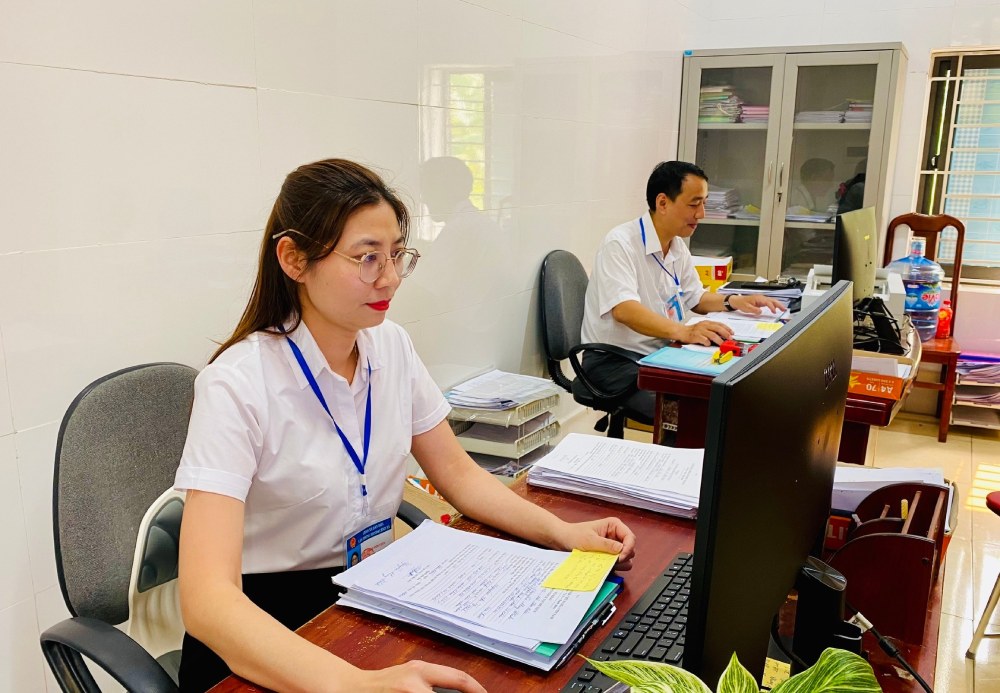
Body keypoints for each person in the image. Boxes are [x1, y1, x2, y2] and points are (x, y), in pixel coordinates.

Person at [175, 159, 637, 692]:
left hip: (366, 595)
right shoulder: (236, 383)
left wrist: (565, 534)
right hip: (265, 630)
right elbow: (208, 604)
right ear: (294, 258)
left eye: (396, 255)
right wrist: (354, 686)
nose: (390, 278)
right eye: (367, 258)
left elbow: (458, 476)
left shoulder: (389, 345)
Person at [581, 161, 785, 418]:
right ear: (663, 203)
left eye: (704, 203)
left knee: (727, 388)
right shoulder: (620, 244)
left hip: (661, 351)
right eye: (694, 204)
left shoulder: (677, 246)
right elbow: (624, 310)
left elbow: (695, 297)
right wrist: (685, 331)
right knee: (695, 413)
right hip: (615, 361)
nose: (701, 213)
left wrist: (734, 300)